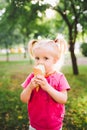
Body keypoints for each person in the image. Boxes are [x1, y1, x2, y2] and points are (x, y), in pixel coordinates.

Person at [20, 34, 70, 130]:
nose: (40, 62)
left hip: (54, 125)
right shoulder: (32, 77)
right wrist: (30, 87)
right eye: (37, 58)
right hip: (35, 125)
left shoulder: (60, 77)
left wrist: (47, 87)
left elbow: (63, 99)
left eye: (45, 58)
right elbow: (23, 99)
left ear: (55, 60)